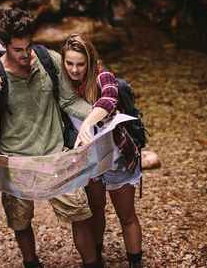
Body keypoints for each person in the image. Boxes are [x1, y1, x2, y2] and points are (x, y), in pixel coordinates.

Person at [0, 8, 104, 268]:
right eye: (18, 50)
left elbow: (68, 100)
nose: (25, 55)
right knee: (21, 221)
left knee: (80, 213)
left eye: (28, 46)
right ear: (4, 46)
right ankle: (31, 262)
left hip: (55, 155)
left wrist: (103, 115)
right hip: (15, 162)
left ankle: (92, 264)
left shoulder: (49, 59)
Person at [61, 33, 143, 268]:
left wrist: (87, 122)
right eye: (69, 63)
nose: (75, 70)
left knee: (126, 215)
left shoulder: (102, 74)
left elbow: (109, 98)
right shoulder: (63, 82)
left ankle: (136, 263)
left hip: (118, 156)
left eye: (80, 64)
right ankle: (97, 259)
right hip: (89, 159)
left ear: (90, 60)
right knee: (95, 209)